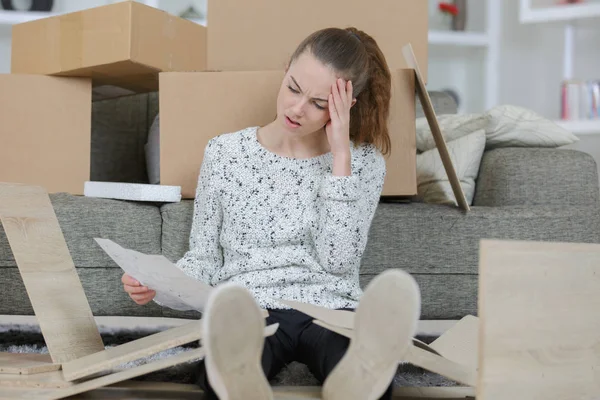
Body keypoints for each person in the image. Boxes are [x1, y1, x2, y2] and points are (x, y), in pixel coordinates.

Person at [122, 26, 411, 400]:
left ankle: (364, 366)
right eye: (293, 88)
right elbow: (205, 257)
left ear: (345, 105)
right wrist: (156, 282)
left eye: (319, 104)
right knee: (224, 372)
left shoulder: (363, 163)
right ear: (286, 68)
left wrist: (341, 157)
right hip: (251, 305)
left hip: (330, 307)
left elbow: (339, 262)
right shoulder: (225, 153)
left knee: (366, 375)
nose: (296, 109)